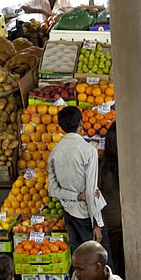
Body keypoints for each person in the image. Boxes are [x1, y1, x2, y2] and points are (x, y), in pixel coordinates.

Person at [47, 106, 108, 256]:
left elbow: (52, 190)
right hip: (88, 215)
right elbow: (91, 190)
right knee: (99, 260)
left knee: (79, 257)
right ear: (81, 122)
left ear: (61, 126)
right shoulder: (89, 150)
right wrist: (97, 225)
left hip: (69, 213)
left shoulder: (54, 153)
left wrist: (74, 196)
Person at [98, 122, 124, 279]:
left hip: (109, 223)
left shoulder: (101, 165)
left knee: (114, 266)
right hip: (128, 223)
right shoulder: (130, 165)